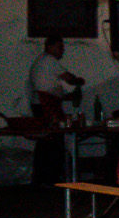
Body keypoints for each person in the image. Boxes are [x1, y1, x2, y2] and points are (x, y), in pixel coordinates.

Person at [27, 34, 87, 183]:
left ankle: (45, 176)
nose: (62, 50)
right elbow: (69, 78)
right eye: (60, 47)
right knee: (52, 141)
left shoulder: (42, 61)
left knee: (46, 140)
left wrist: (66, 96)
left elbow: (51, 89)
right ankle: (50, 177)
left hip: (44, 103)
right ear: (50, 47)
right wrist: (79, 81)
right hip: (45, 104)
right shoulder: (49, 60)